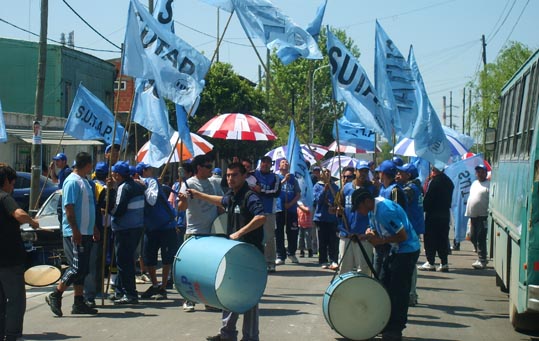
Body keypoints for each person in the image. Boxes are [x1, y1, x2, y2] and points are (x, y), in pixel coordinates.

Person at [187, 162, 266, 341]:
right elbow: (220, 201)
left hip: (250, 254)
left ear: (244, 176)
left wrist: (239, 232)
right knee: (229, 291)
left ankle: (251, 337)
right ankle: (227, 334)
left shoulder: (249, 196)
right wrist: (198, 195)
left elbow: (261, 217)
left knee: (249, 298)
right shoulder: (231, 195)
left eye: (234, 175)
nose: (230, 178)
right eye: (228, 175)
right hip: (233, 252)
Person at [354, 189, 420, 341]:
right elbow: (377, 231)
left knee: (399, 291)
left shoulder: (385, 211)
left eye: (358, 207)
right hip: (394, 250)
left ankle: (396, 328)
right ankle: (384, 322)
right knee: (383, 286)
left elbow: (402, 236)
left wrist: (381, 241)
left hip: (406, 251)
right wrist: (365, 235)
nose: (358, 211)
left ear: (366, 202)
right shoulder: (372, 211)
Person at [45, 152, 100, 317]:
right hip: (75, 232)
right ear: (87, 164)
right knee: (76, 267)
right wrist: (75, 230)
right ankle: (56, 293)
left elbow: (89, 208)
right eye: (91, 164)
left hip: (87, 232)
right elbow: (68, 208)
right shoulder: (71, 182)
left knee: (83, 269)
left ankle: (79, 302)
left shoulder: (85, 182)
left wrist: (94, 228)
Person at [177, 154, 222, 312]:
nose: (210, 169)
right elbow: (181, 208)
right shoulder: (188, 183)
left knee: (209, 269)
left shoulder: (212, 183)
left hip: (212, 232)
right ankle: (188, 300)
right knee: (191, 268)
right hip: (195, 232)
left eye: (211, 166)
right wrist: (183, 199)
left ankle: (208, 299)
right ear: (199, 168)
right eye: (208, 166)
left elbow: (219, 203)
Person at [0, 163, 40, 341]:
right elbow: (19, 214)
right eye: (13, 183)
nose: (13, 187)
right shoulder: (4, 197)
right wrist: (32, 221)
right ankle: (13, 335)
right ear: (7, 181)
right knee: (16, 301)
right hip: (9, 259)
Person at [137, 163, 177, 300]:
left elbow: (152, 200)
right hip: (151, 227)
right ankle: (155, 285)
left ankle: (163, 286)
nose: (152, 171)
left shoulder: (151, 182)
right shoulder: (145, 182)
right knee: (149, 258)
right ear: (144, 171)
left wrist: (145, 186)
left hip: (166, 225)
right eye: (149, 169)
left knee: (166, 258)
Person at [108, 161, 146, 305]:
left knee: (124, 262)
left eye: (113, 173)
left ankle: (130, 293)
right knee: (125, 260)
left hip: (124, 228)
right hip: (136, 227)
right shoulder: (137, 186)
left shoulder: (124, 188)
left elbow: (118, 210)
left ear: (118, 175)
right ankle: (120, 290)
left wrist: (109, 207)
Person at [334, 162, 377, 274]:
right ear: (355, 171)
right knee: (344, 268)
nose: (363, 173)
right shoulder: (345, 188)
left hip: (364, 235)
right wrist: (339, 211)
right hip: (347, 234)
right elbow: (337, 207)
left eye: (366, 171)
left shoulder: (372, 189)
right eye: (361, 170)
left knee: (364, 268)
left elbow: (376, 211)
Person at [396, 163, 425, 307]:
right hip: (414, 229)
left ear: (408, 175)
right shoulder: (416, 186)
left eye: (401, 173)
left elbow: (399, 202)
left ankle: (411, 294)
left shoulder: (410, 189)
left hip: (410, 230)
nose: (398, 175)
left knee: (410, 266)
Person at [418, 166, 454, 272]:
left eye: (433, 170)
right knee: (443, 238)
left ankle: (431, 262)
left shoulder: (433, 182)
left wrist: (423, 206)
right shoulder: (448, 181)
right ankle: (444, 262)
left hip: (433, 214)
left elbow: (428, 200)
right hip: (445, 214)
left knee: (430, 239)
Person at [375, 160, 407, 278]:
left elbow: (397, 214)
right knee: (377, 270)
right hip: (381, 235)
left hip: (391, 238)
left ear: (383, 173)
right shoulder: (382, 188)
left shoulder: (395, 190)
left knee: (387, 273)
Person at [252, 156, 281, 272]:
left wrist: (261, 191)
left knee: (269, 238)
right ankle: (257, 261)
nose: (265, 165)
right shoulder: (253, 174)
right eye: (263, 162)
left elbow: (276, 192)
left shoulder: (275, 177)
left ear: (271, 165)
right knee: (255, 238)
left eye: (268, 163)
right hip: (254, 211)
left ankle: (270, 261)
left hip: (269, 211)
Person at [275, 159, 301, 265]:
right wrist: (284, 180)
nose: (285, 164)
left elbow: (298, 194)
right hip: (278, 209)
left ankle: (291, 252)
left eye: (286, 163)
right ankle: (281, 255)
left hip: (291, 210)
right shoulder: (276, 177)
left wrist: (290, 204)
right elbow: (275, 189)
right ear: (279, 166)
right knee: (279, 233)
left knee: (293, 232)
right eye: (282, 162)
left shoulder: (293, 179)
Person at [313, 168, 339, 269]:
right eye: (324, 171)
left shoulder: (335, 187)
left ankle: (333, 260)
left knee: (333, 240)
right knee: (322, 240)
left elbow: (337, 200)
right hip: (321, 218)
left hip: (332, 218)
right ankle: (323, 260)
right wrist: (325, 190)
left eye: (328, 171)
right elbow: (317, 200)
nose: (327, 173)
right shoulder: (317, 186)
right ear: (320, 174)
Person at [465, 164, 490, 269]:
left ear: (486, 173)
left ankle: (482, 259)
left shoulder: (489, 185)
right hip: (473, 215)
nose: (480, 174)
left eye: (482, 172)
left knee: (481, 237)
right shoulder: (474, 183)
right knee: (473, 237)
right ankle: (481, 257)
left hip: (483, 216)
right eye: (478, 172)